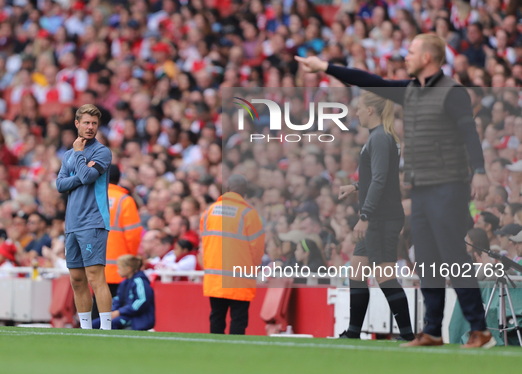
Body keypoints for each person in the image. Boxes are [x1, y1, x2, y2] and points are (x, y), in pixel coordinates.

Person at [296, 33, 495, 348]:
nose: (407, 56)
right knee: (427, 258)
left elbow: (470, 133)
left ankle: (480, 329)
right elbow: (369, 80)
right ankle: (431, 330)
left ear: (428, 57)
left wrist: (481, 171)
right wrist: (325, 66)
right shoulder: (411, 92)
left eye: (412, 51)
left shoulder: (452, 92)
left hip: (448, 185)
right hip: (420, 188)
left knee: (452, 255)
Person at [336, 91, 414, 341]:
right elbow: (383, 178)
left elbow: (381, 180)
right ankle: (353, 332)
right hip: (379, 216)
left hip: (381, 218)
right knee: (356, 272)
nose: (356, 112)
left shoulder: (380, 138)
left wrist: (365, 214)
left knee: (385, 274)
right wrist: (356, 187)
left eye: (359, 107)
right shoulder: (381, 137)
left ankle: (407, 334)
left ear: (370, 110)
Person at [56, 104, 113, 330]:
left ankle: (106, 329)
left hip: (93, 221)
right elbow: (60, 184)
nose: (90, 127)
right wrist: (80, 172)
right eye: (87, 123)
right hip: (73, 223)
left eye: (94, 123)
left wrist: (80, 158)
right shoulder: (68, 155)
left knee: (94, 276)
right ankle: (86, 330)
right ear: (77, 123)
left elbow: (89, 177)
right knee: (77, 279)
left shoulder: (102, 152)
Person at [201, 174, 265, 335]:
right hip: (239, 279)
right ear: (245, 191)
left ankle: (214, 354)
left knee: (216, 317)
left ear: (228, 189)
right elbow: (257, 249)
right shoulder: (249, 214)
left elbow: (205, 243)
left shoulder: (209, 212)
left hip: (215, 278)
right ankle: (235, 355)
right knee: (238, 319)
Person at [105, 164, 142, 297]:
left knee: (98, 308)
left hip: (95, 266)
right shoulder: (125, 201)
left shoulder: (91, 198)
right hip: (120, 268)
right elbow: (133, 235)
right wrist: (130, 261)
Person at [92, 254, 155, 331]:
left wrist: (119, 312)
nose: (117, 271)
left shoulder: (139, 281)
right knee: (94, 324)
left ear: (128, 269)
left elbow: (141, 301)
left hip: (138, 319)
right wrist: (113, 311)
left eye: (119, 268)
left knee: (111, 324)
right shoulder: (124, 282)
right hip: (124, 315)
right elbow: (117, 299)